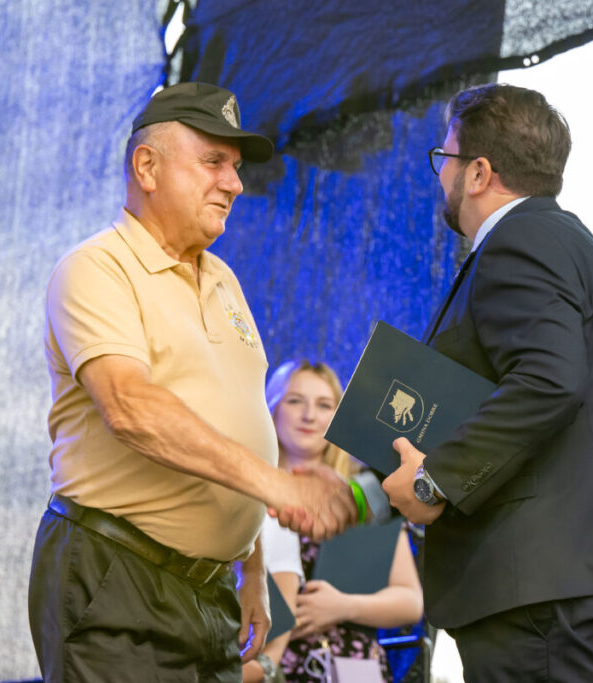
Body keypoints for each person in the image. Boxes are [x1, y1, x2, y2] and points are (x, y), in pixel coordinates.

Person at [27, 82, 356, 683]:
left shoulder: (224, 278)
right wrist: (281, 487)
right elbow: (130, 408)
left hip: (212, 591)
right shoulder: (97, 268)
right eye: (213, 162)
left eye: (235, 167)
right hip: (117, 574)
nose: (234, 183)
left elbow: (239, 420)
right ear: (147, 167)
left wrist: (251, 568)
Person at [375, 83, 593, 682]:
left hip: (542, 590)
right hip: (566, 584)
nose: (441, 177)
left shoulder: (520, 241)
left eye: (445, 159)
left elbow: (548, 380)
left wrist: (434, 481)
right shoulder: (561, 241)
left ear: (478, 173)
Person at [247, 360, 424, 683]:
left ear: (338, 418)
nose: (309, 415)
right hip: (260, 664)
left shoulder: (365, 498)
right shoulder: (247, 492)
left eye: (324, 405)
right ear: (271, 408)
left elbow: (411, 601)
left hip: (353, 666)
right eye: (295, 401)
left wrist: (343, 606)